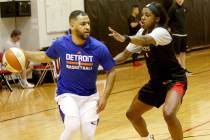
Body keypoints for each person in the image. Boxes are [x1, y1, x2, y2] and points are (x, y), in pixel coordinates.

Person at [25, 10, 116, 140]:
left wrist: (105, 97)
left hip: (90, 97)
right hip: (67, 94)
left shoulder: (99, 47)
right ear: (72, 26)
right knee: (73, 125)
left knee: (88, 135)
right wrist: (25, 53)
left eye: (88, 23)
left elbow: (111, 71)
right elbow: (45, 56)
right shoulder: (61, 44)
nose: (87, 27)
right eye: (83, 24)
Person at [109, 2, 187, 140]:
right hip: (155, 83)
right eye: (142, 14)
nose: (143, 17)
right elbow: (124, 55)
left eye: (147, 15)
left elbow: (146, 40)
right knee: (131, 115)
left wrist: (125, 37)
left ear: (157, 19)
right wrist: (103, 64)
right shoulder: (141, 32)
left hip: (174, 80)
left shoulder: (161, 32)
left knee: (169, 114)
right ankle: (147, 138)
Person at [168, 0, 192, 75]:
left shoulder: (185, 8)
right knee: (177, 53)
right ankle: (179, 71)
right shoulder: (172, 8)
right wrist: (170, 29)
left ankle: (184, 69)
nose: (180, 0)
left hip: (184, 34)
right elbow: (168, 20)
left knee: (183, 52)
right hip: (176, 34)